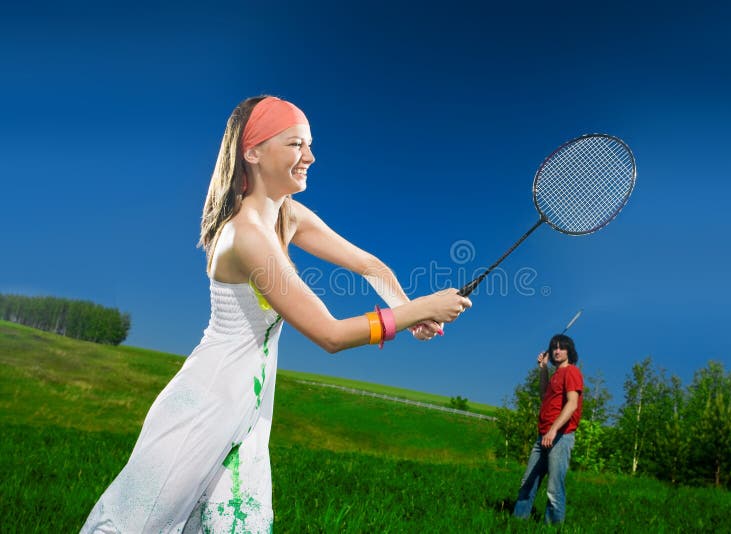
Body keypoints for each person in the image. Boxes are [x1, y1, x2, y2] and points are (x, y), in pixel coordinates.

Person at [80, 95, 471, 533]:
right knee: (137, 523)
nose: (311, 156)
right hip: (205, 404)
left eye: (309, 144)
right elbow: (330, 334)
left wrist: (406, 309)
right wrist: (422, 308)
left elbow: (369, 265)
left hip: (247, 407)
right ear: (253, 152)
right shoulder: (247, 236)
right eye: (296, 145)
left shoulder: (285, 216)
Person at [512, 333, 583, 525]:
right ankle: (517, 523)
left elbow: (572, 404)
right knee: (528, 482)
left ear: (569, 351)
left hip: (560, 437)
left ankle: (551, 527)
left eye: (562, 347)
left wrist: (553, 430)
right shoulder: (556, 374)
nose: (557, 351)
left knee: (554, 488)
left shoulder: (572, 372)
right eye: (554, 348)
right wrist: (543, 369)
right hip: (543, 435)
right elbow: (544, 395)